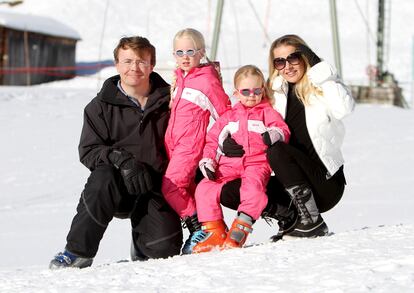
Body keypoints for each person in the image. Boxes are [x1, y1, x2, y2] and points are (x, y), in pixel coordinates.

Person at [49, 36, 182, 269]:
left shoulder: (172, 100)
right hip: (117, 187)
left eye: (141, 61)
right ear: (117, 64)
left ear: (152, 65)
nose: (134, 68)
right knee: (102, 179)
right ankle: (77, 252)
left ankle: (143, 244)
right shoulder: (100, 105)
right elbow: (89, 150)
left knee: (163, 253)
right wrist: (121, 160)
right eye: (127, 61)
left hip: (157, 187)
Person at [220, 34, 355, 240]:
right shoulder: (274, 96)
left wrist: (319, 68)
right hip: (290, 184)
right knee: (229, 191)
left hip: (325, 183)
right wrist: (226, 142)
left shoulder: (321, 87)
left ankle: (311, 221)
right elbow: (244, 116)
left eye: (293, 58)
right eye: (280, 61)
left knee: (277, 149)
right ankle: (291, 219)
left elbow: (344, 108)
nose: (287, 66)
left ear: (304, 58)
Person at [191, 65, 290, 253]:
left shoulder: (266, 112)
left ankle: (241, 227)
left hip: (256, 163)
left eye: (257, 90)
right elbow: (212, 140)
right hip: (229, 165)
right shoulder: (229, 117)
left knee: (253, 190)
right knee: (204, 188)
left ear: (263, 90)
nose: (251, 95)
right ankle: (214, 231)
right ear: (237, 93)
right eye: (246, 91)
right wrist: (207, 161)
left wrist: (274, 134)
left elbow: (282, 129)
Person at [161, 28, 231, 255]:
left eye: (190, 51)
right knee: (188, 189)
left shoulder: (207, 81)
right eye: (179, 52)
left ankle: (197, 229)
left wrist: (225, 143)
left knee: (170, 187)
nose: (184, 57)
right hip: (174, 144)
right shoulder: (181, 77)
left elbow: (225, 114)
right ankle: (214, 229)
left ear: (201, 52)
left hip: (190, 146)